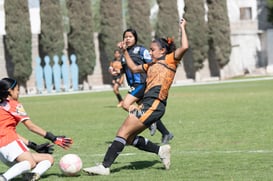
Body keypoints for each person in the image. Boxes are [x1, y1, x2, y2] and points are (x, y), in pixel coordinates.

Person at [83, 18, 188, 175]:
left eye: (152, 50)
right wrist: (124, 50)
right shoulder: (149, 65)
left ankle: (104, 166)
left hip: (154, 104)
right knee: (130, 138)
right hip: (149, 105)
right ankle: (160, 150)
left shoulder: (170, 60)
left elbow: (185, 46)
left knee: (122, 132)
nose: (150, 52)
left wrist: (182, 27)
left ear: (162, 51)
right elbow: (132, 67)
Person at [0, 78, 73, 181]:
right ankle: (3, 178)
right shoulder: (14, 105)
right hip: (9, 143)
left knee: (48, 159)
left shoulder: (2, 106)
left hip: (3, 150)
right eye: (17, 89)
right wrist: (53, 138)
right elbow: (31, 126)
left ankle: (32, 176)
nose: (18, 92)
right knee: (30, 163)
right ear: (9, 91)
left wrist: (34, 146)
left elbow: (10, 132)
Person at [120, 28, 173, 144]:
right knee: (147, 111)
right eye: (125, 37)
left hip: (141, 83)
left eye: (130, 37)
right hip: (133, 84)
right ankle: (166, 133)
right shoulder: (124, 54)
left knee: (126, 104)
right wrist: (118, 74)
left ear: (135, 38)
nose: (127, 39)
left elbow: (153, 63)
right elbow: (125, 69)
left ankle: (149, 123)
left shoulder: (141, 50)